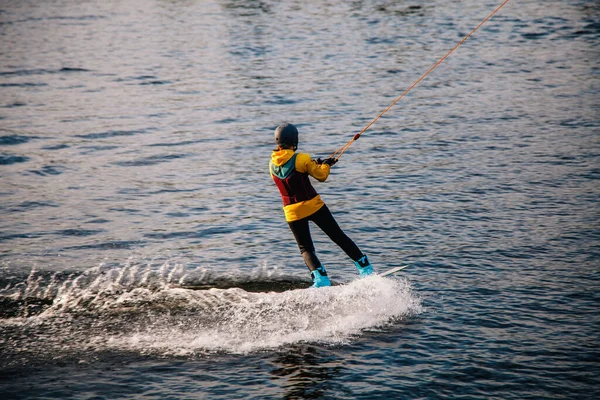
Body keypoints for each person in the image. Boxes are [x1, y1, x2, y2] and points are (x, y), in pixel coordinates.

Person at [269, 122, 375, 288]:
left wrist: (315, 162)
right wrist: (325, 165)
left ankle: (320, 279)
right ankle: (365, 269)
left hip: (291, 212)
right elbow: (321, 175)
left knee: (306, 249)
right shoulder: (301, 158)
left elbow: (294, 171)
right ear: (294, 140)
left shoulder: (271, 164)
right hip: (313, 206)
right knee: (338, 236)